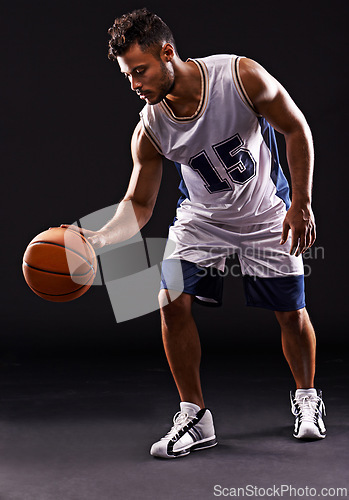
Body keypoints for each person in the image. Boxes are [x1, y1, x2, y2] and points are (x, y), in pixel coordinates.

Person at [65, 8, 326, 458]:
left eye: (140, 71)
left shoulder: (240, 76)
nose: (134, 84)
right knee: (169, 302)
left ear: (168, 53)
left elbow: (295, 128)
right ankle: (195, 415)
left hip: (266, 211)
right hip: (201, 220)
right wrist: (98, 238)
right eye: (127, 75)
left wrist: (301, 204)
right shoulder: (150, 127)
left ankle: (307, 396)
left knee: (291, 313)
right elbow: (139, 203)